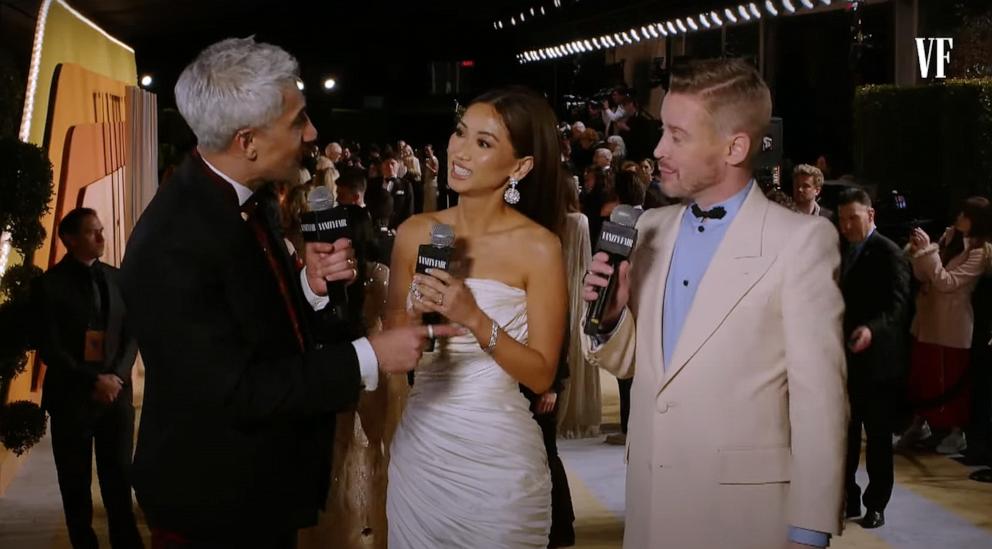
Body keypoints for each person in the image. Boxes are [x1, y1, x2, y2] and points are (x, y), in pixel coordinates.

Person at [118, 37, 458, 548]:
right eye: (298, 121)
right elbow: (236, 391)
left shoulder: (234, 201)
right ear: (247, 141)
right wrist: (368, 354)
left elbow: (246, 325)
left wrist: (307, 286)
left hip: (257, 491)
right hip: (217, 506)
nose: (313, 132)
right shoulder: (174, 241)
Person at [582, 58, 848, 549]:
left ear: (735, 146)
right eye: (663, 131)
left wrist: (808, 531)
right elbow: (629, 364)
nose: (658, 149)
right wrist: (611, 317)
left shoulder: (801, 241)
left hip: (745, 518)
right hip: (649, 506)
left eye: (677, 136)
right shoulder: (648, 231)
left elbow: (821, 400)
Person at [385, 86, 569, 548]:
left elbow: (543, 373)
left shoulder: (539, 248)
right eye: (461, 133)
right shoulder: (415, 233)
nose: (460, 151)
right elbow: (392, 354)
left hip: (500, 465)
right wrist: (413, 318)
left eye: (484, 143)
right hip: (421, 456)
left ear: (520, 167)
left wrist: (473, 317)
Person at [32, 208, 144, 549]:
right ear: (70, 239)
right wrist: (93, 381)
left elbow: (131, 333)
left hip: (116, 398)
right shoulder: (48, 286)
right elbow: (50, 348)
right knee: (75, 483)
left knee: (119, 479)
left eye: (101, 230)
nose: (101, 237)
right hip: (72, 399)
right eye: (92, 232)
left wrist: (118, 377)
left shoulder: (117, 277)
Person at [836, 189, 912, 529]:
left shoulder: (888, 252)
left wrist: (871, 330)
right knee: (845, 437)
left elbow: (898, 307)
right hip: (844, 361)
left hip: (878, 362)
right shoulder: (840, 250)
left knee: (878, 438)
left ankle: (876, 503)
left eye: (853, 217)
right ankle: (848, 496)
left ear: (870, 215)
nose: (847, 225)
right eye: (842, 219)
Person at [903, 197, 992, 454]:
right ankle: (923, 424)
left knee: (948, 378)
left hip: (952, 324)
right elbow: (924, 274)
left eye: (966, 213)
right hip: (928, 318)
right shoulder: (949, 237)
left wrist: (929, 252)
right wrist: (921, 251)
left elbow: (947, 282)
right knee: (924, 375)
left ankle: (955, 432)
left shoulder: (981, 252)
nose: (959, 216)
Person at [557, 184, 599, 439]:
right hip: (578, 288)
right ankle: (577, 413)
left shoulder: (554, 222)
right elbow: (584, 258)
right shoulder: (580, 220)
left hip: (558, 288)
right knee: (577, 346)